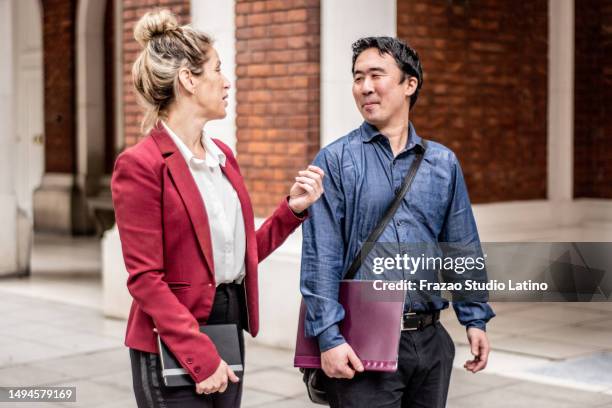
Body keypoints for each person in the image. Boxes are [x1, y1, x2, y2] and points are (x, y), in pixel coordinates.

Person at [111, 9, 324, 408]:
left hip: (228, 324)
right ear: (188, 80)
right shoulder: (140, 165)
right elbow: (145, 279)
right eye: (217, 70)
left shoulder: (222, 155)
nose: (227, 82)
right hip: (170, 337)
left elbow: (240, 254)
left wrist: (291, 211)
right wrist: (202, 357)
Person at [300, 36, 495, 407]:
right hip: (362, 343)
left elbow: (461, 245)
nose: (365, 87)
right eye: (358, 78)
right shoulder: (336, 161)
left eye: (376, 75)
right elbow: (321, 256)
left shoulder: (443, 163)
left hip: (430, 341)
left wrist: (474, 317)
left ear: (410, 84)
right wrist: (328, 336)